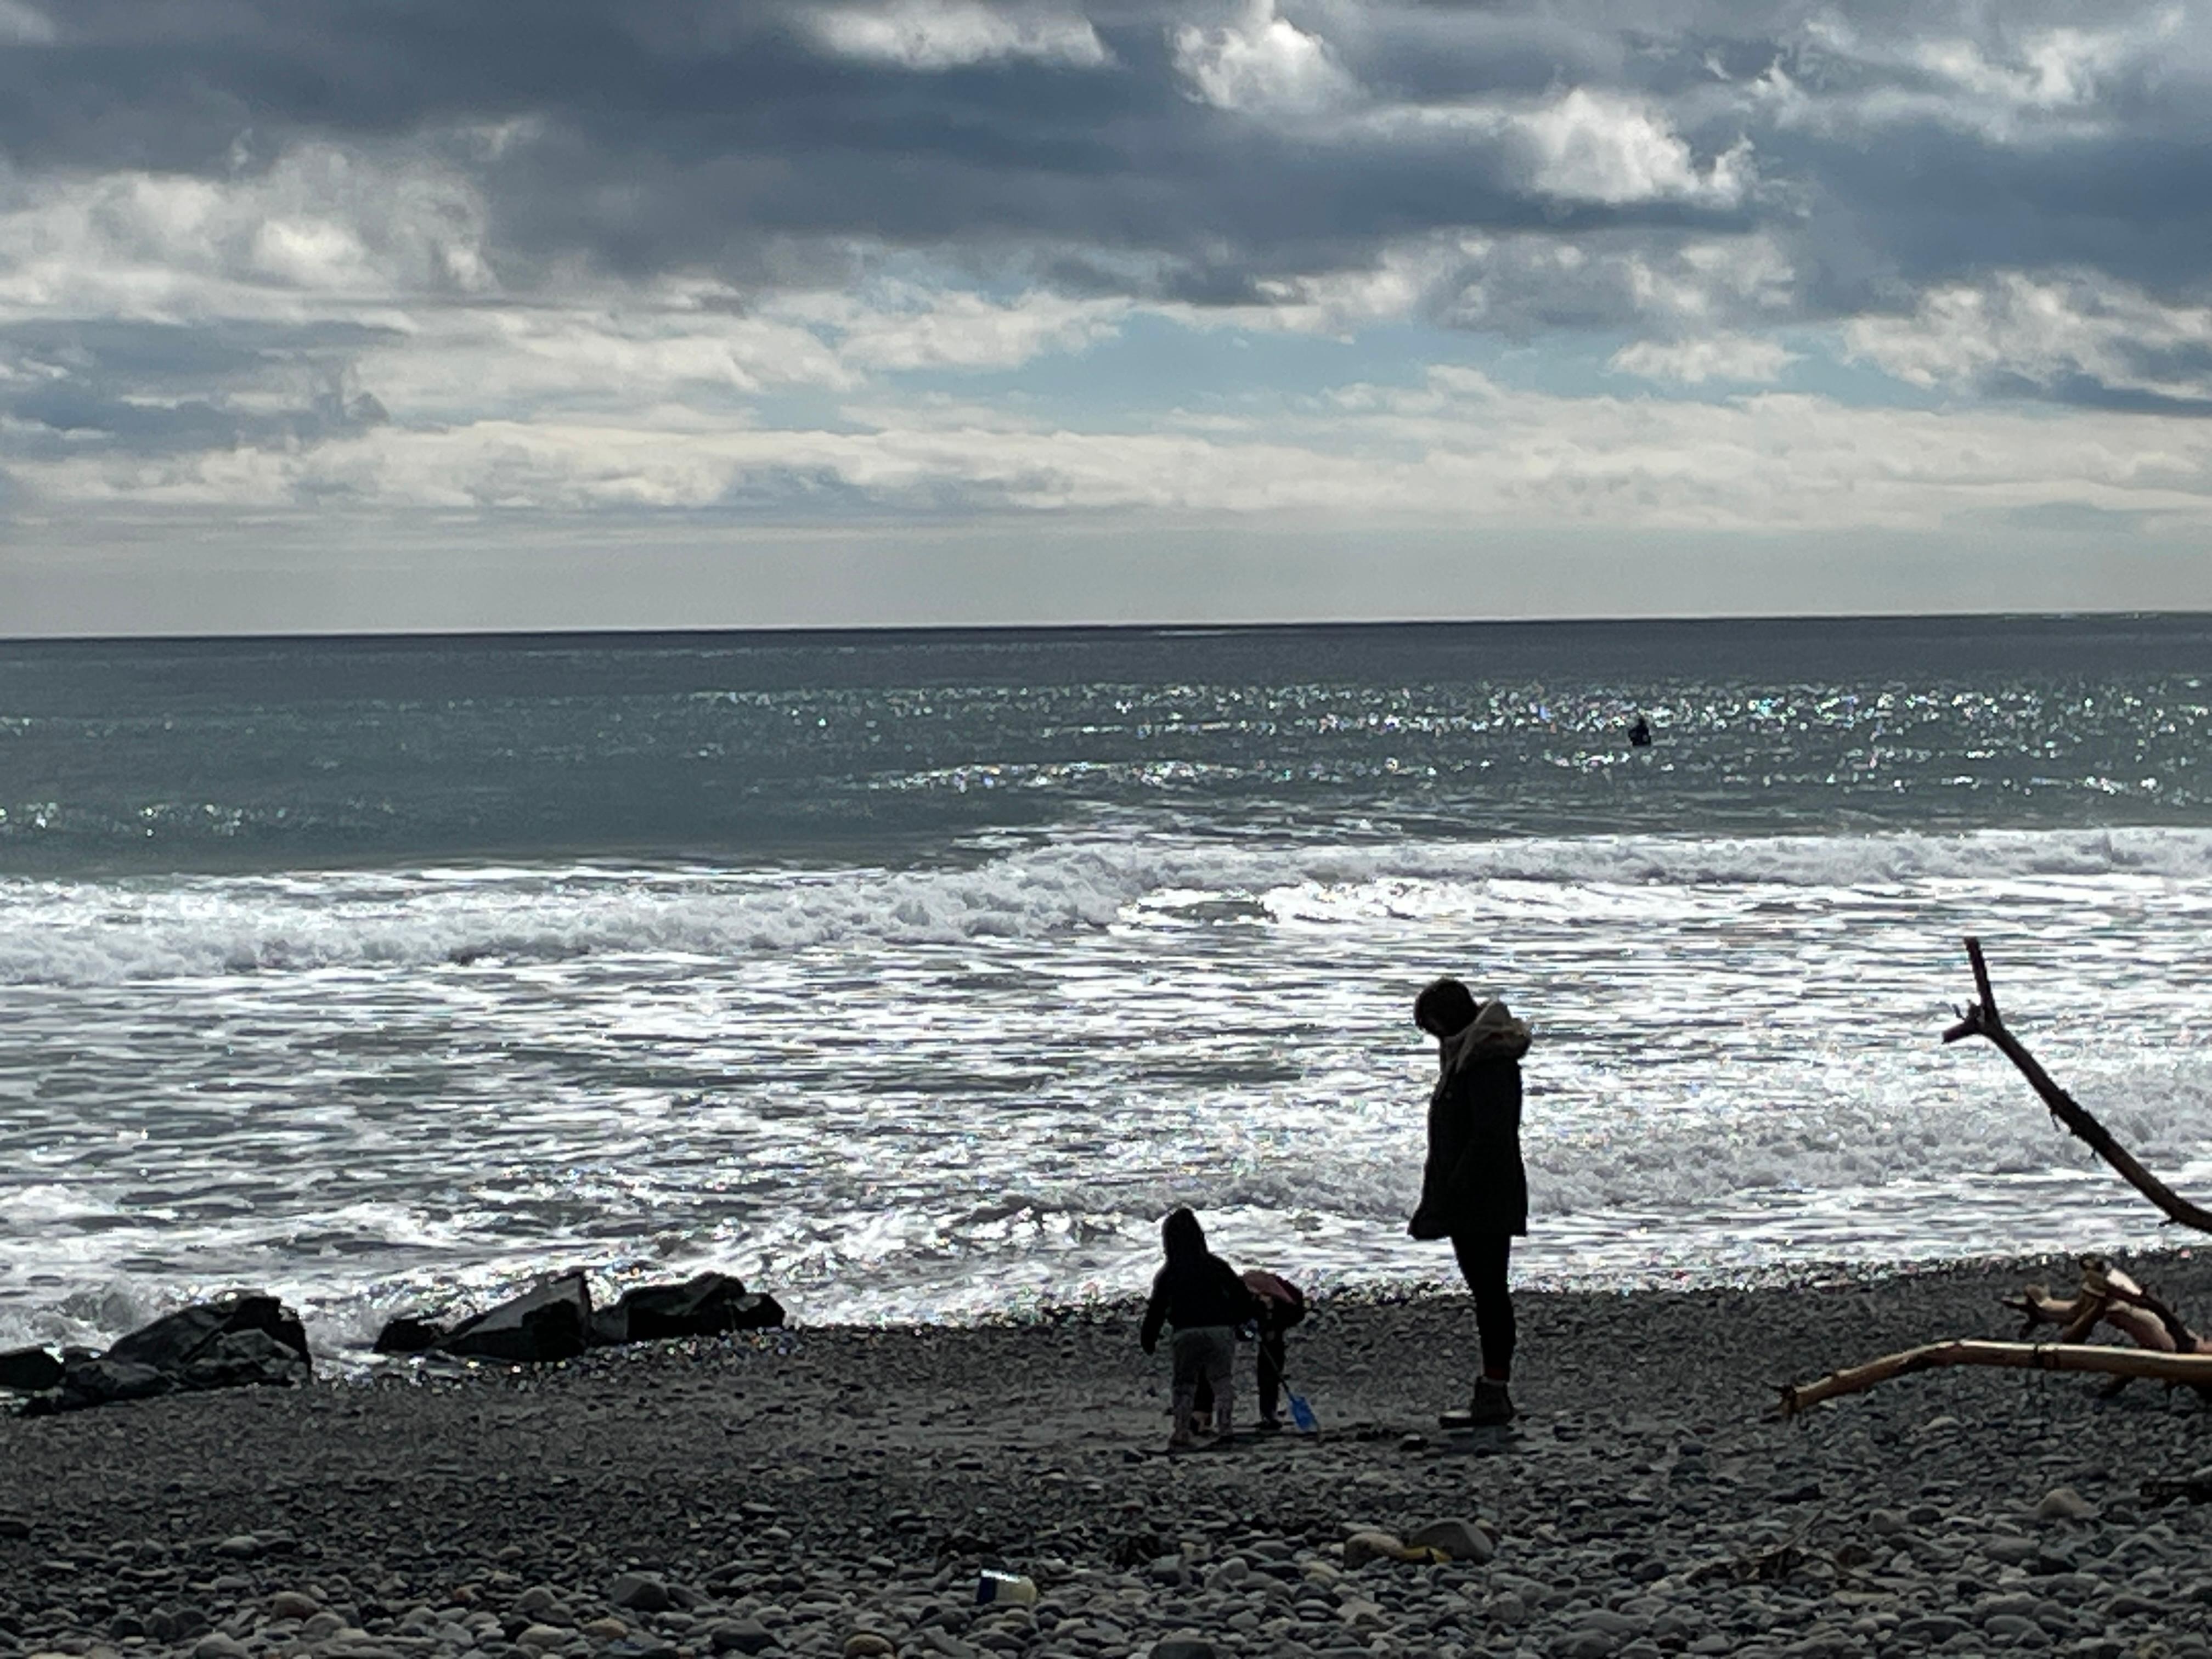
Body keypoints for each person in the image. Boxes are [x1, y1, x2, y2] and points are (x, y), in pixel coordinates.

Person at [1407, 976, 1532, 1427]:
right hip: (1479, 1195)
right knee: (1488, 1292)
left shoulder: (1486, 1062)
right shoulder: (1474, 1056)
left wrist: (1451, 1192)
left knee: (1490, 1293)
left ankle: (1495, 1391)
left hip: (1483, 1198)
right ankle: (1493, 1389)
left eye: (1434, 1028)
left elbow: (1488, 1136)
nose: (1435, 1039)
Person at [1139, 1207, 1255, 1449]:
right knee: (1222, 1381)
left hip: (1186, 1331)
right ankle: (1226, 1428)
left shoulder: (1169, 1273)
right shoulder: (1216, 1266)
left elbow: (1157, 1308)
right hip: (1220, 1330)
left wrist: (1149, 1336)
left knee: (1184, 1384)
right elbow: (1240, 1295)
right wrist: (1243, 1320)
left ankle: (1181, 1430)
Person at [1192, 1267, 1307, 1431]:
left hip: (1277, 1319)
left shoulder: (1286, 1300)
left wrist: (1271, 1325)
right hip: (1236, 1320)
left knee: (1270, 1365)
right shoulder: (1234, 1295)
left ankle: (1269, 1413)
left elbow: (1294, 1315)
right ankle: (1203, 1412)